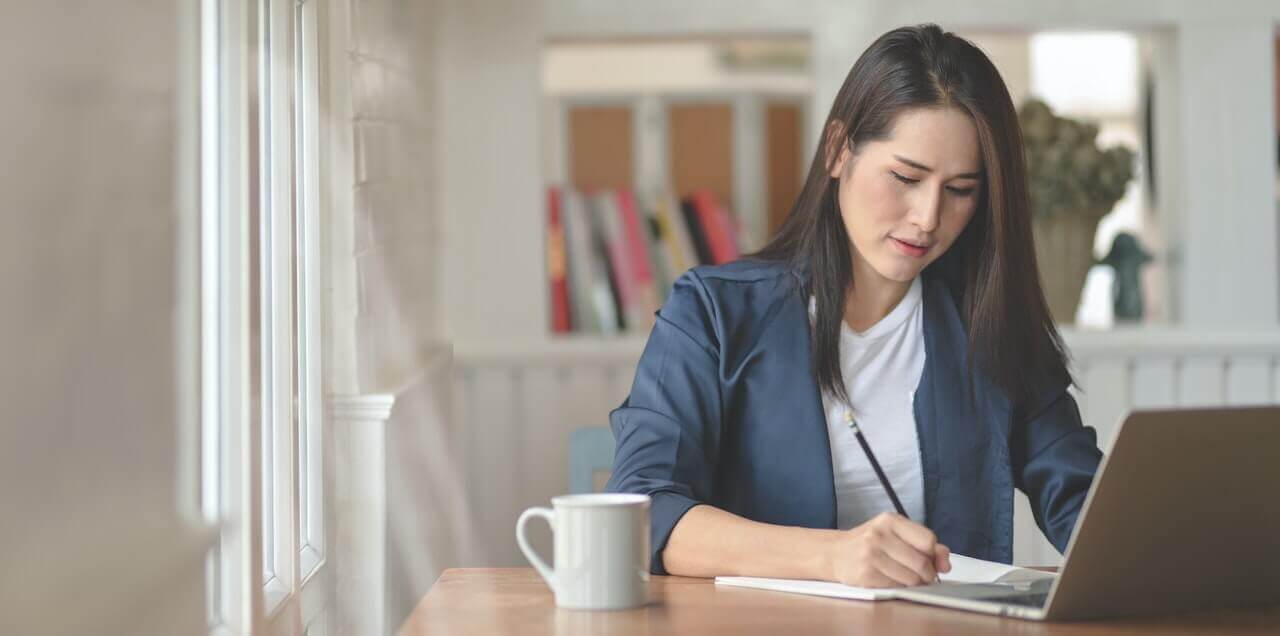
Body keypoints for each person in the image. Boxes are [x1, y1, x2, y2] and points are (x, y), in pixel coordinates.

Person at [604, 24, 1103, 589]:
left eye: (961, 189)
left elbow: (1084, 502)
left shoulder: (988, 325)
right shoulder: (713, 315)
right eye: (906, 177)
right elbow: (642, 511)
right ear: (839, 149)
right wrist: (831, 557)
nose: (928, 216)